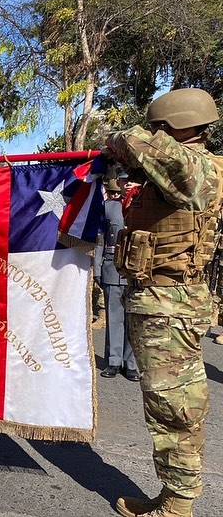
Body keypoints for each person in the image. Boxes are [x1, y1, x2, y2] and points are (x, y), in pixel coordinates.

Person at [107, 88, 222, 517]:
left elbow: (132, 140)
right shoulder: (186, 166)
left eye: (158, 125)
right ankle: (173, 495)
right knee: (168, 401)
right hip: (162, 298)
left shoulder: (196, 167)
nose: (153, 131)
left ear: (173, 124)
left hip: (169, 301)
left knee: (173, 403)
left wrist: (118, 142)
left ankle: (176, 505)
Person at [94, 179, 139, 381]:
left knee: (133, 318)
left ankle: (130, 363)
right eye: (124, 181)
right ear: (119, 184)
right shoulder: (109, 207)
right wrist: (97, 267)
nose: (128, 184)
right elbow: (100, 239)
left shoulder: (145, 206)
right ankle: (113, 361)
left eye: (132, 180)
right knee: (114, 317)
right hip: (112, 266)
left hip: (137, 270)